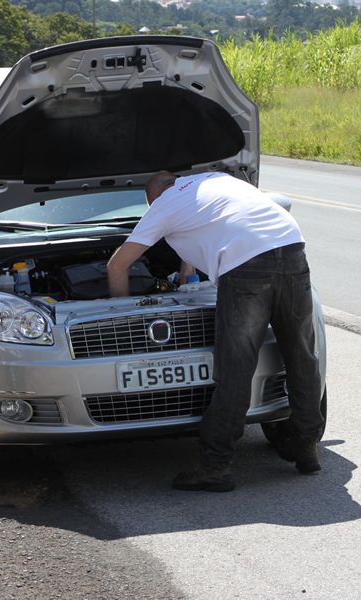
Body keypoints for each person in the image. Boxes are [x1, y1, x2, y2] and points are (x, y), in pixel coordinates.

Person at [107, 170, 325, 492]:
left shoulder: (164, 205)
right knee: (300, 354)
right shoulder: (214, 180)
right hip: (290, 245)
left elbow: (116, 266)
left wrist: (122, 320)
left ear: (152, 199)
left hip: (247, 263)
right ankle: (306, 447)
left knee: (236, 367)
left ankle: (215, 465)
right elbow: (196, 246)